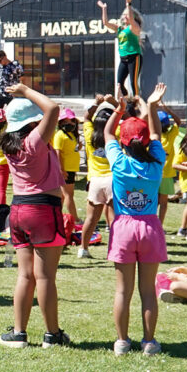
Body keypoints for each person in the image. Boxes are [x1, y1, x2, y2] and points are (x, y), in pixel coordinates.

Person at [0, 84, 70, 349]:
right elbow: (53, 108)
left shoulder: (9, 144)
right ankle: (52, 335)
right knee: (46, 277)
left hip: (18, 210)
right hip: (43, 210)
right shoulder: (35, 141)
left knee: (25, 275)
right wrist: (25, 90)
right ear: (32, 122)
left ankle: (19, 333)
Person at [104, 84, 169, 356]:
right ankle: (149, 342)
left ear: (123, 141)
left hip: (123, 227)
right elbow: (155, 133)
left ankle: (121, 341)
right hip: (150, 226)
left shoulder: (118, 161)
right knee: (148, 292)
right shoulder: (156, 163)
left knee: (123, 291)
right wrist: (151, 106)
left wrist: (118, 110)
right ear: (146, 142)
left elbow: (107, 132)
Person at [78, 96, 117, 259]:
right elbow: (130, 118)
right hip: (113, 180)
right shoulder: (116, 135)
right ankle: (115, 250)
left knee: (91, 219)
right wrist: (115, 103)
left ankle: (83, 249)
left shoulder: (89, 134)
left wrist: (97, 103)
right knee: (114, 220)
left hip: (94, 180)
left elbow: (86, 117)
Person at [98, 0, 144, 98]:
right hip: (123, 59)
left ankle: (138, 101)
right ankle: (127, 100)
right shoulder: (119, 28)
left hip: (134, 57)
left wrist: (128, 4)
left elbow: (131, 19)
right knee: (119, 83)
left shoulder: (134, 27)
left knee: (133, 82)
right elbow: (105, 23)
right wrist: (104, 9)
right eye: (123, 16)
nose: (124, 18)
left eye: (126, 16)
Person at [53, 108, 81, 224]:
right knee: (69, 195)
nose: (68, 124)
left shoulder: (71, 134)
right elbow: (57, 153)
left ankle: (56, 216)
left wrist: (78, 147)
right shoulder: (59, 135)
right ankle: (76, 220)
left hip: (71, 168)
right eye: (65, 122)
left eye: (71, 122)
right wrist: (61, 169)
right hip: (66, 169)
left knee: (63, 196)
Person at [156, 109, 182, 226]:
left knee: (152, 200)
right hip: (166, 174)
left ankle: (151, 222)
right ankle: (159, 224)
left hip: (153, 173)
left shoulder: (152, 136)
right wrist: (167, 109)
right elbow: (178, 121)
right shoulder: (171, 135)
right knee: (163, 202)